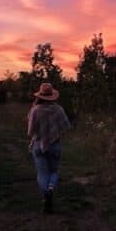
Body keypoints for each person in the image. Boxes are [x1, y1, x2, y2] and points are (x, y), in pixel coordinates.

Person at [27, 82, 71, 213]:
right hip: (55, 145)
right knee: (53, 172)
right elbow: (65, 127)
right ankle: (51, 189)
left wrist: (41, 134)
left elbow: (30, 132)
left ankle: (46, 195)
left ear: (40, 95)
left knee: (42, 173)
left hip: (38, 145)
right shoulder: (59, 109)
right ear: (52, 95)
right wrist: (54, 134)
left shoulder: (35, 110)